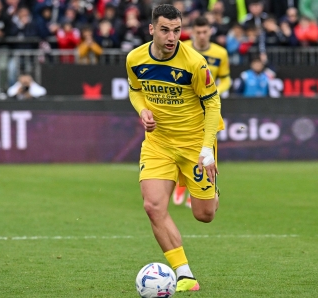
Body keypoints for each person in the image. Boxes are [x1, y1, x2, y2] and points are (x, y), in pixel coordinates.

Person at [125, 4, 221, 292]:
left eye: (177, 30)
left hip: (194, 144)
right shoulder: (134, 58)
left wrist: (207, 149)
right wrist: (142, 111)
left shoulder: (194, 62)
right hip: (159, 143)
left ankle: (213, 190)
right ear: (152, 29)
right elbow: (135, 89)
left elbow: (213, 103)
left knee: (204, 215)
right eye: (165, 30)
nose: (171, 36)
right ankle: (184, 274)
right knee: (153, 206)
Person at [175, 15, 230, 208]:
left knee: (208, 151)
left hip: (208, 109)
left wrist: (215, 93)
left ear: (210, 31)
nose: (201, 35)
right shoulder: (182, 48)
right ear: (192, 32)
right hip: (186, 109)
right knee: (182, 148)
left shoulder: (220, 53)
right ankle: (182, 183)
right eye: (198, 32)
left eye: (205, 31)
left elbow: (226, 79)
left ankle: (199, 192)